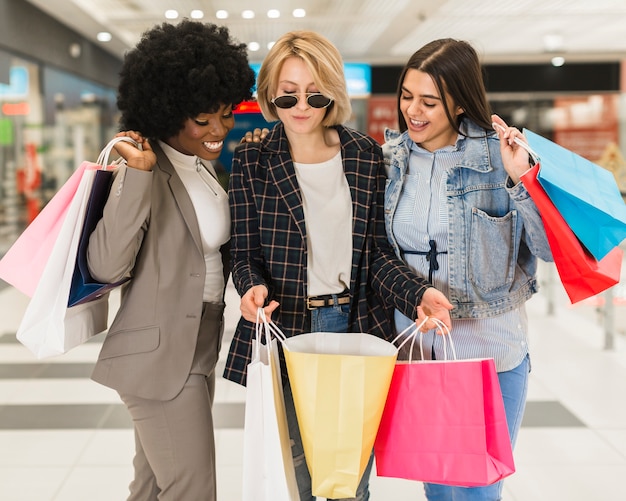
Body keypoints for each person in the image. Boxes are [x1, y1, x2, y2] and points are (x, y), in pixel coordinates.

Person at [223, 30, 452, 501]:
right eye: (287, 94)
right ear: (269, 93)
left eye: (315, 93)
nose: (301, 106)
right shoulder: (252, 158)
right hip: (287, 328)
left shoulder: (365, 156)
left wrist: (417, 295)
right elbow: (243, 252)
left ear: (333, 94)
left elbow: (378, 257)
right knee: (298, 480)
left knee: (350, 482)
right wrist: (250, 289)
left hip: (356, 326)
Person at [86, 20, 255, 501]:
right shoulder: (143, 165)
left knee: (152, 486)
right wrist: (136, 180)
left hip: (199, 344)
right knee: (191, 488)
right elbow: (105, 265)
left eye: (225, 114)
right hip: (158, 353)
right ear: (167, 111)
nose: (220, 129)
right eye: (203, 120)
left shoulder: (201, 166)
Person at [383, 38, 553, 500]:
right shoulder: (393, 160)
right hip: (420, 352)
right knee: (437, 490)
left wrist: (522, 180)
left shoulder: (500, 158)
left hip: (490, 354)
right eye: (406, 96)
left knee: (478, 491)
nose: (413, 112)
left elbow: (549, 249)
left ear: (459, 102)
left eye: (429, 101)